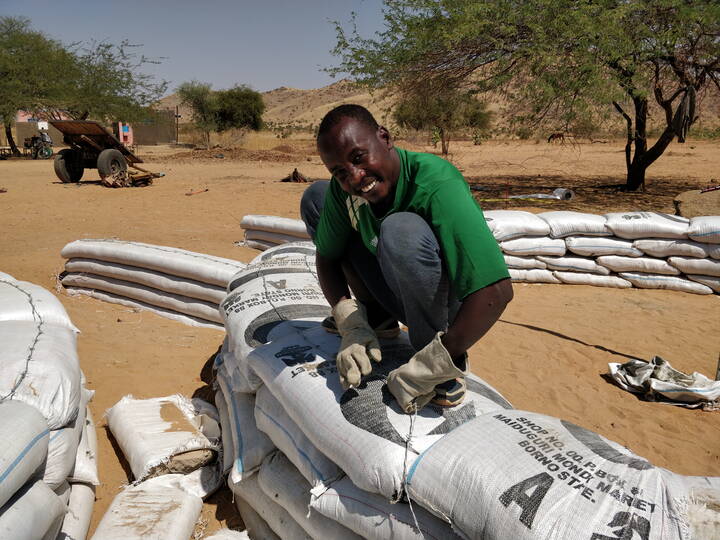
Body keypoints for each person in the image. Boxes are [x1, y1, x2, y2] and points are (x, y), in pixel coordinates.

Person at [300, 104, 513, 413]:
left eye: (359, 158)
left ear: (384, 138)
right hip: (392, 287)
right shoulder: (343, 191)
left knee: (400, 229)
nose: (356, 177)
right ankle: (378, 318)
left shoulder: (436, 183)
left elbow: (497, 292)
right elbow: (328, 256)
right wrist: (350, 321)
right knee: (317, 197)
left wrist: (437, 360)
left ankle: (439, 359)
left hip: (443, 306)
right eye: (341, 171)